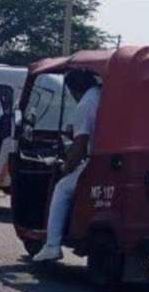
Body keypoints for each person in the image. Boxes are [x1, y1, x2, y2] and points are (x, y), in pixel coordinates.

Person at [33, 69, 102, 262]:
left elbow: (79, 145)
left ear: (73, 89)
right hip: (110, 160)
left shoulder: (86, 104)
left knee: (62, 188)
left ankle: (52, 245)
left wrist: (67, 167)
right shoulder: (104, 96)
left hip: (95, 163)